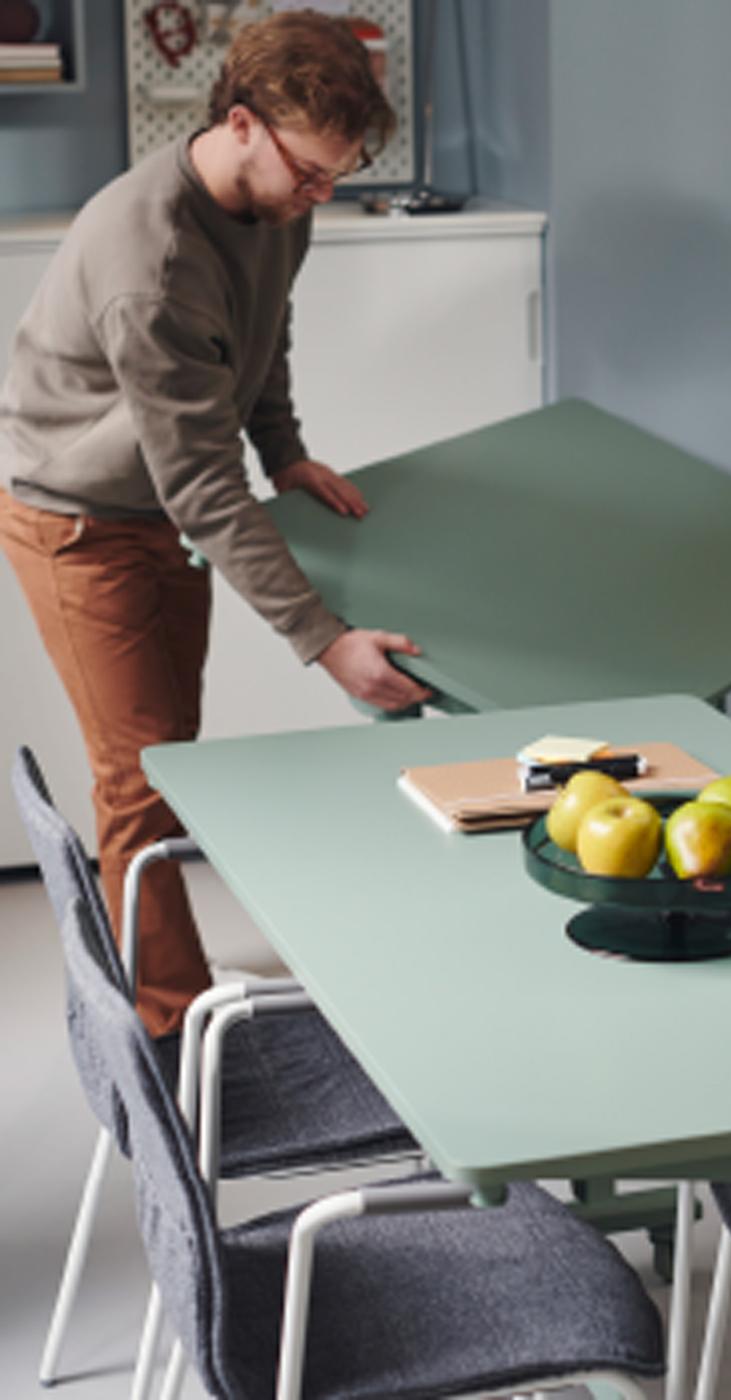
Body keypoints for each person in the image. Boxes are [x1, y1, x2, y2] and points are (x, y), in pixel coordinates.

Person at [0, 11, 432, 1039]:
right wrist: (323, 642)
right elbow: (200, 483)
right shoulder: (149, 259)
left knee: (169, 753)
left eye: (341, 172)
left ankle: (148, 966)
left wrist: (283, 448)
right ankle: (164, 1032)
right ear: (241, 124)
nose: (321, 196)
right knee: (141, 771)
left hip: (159, 502)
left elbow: (262, 329)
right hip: (76, 518)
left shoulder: (283, 202)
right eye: (311, 172)